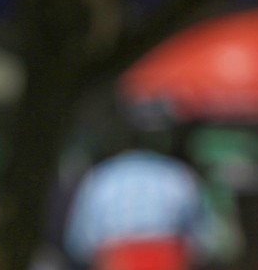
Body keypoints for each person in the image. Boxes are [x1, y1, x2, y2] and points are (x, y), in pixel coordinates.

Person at [63, 110, 212, 270]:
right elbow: (202, 238)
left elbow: (78, 242)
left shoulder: (99, 178)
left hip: (116, 259)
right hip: (167, 258)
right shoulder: (177, 174)